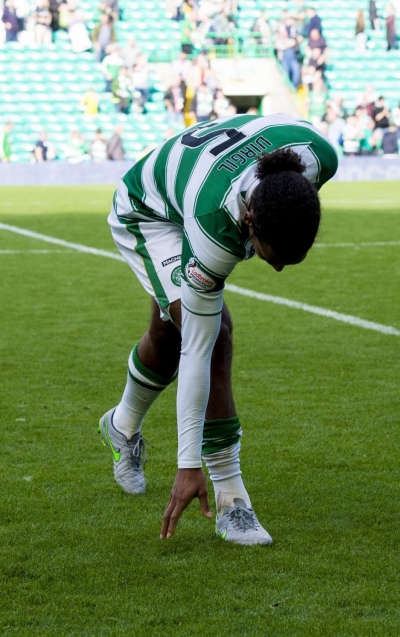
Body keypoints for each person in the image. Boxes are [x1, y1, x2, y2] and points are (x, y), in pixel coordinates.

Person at [100, 115, 338, 546]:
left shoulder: (321, 157)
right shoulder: (215, 224)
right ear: (248, 221)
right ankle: (233, 501)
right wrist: (187, 464)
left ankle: (122, 424)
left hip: (193, 183)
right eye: (270, 257)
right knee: (213, 334)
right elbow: (199, 350)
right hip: (148, 211)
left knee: (169, 330)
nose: (279, 268)